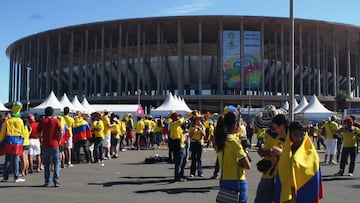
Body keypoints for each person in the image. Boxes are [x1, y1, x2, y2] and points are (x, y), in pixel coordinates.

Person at [275, 121, 323, 203]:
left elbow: (314, 174)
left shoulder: (311, 153)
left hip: (306, 191)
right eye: (295, 135)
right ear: (290, 136)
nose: (299, 138)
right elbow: (281, 171)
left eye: (302, 134)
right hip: (290, 193)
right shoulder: (286, 152)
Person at [215, 109, 251, 203]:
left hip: (224, 179)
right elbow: (247, 165)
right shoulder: (234, 142)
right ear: (234, 124)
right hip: (237, 180)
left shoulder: (219, 141)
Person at [254, 106, 287, 203]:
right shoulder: (267, 133)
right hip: (268, 171)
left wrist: (269, 152)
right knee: (262, 198)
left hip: (280, 171)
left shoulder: (285, 134)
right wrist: (264, 152)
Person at [0, 102, 27, 183]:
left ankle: (5, 177)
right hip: (17, 141)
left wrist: (1, 141)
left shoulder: (8, 121)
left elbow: (2, 133)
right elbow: (23, 132)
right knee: (15, 159)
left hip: (9, 140)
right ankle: (16, 177)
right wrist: (23, 141)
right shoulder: (20, 121)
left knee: (7, 159)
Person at [37, 106, 62, 187]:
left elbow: (38, 133)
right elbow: (60, 132)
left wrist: (40, 141)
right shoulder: (56, 121)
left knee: (46, 163)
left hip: (45, 144)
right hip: (54, 143)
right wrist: (59, 140)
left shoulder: (42, 121)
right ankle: (56, 180)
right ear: (52, 113)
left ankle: (47, 181)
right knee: (56, 162)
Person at [169, 112, 187, 182]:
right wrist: (183, 117)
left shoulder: (177, 125)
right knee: (179, 162)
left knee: (183, 161)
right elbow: (181, 121)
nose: (178, 118)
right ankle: (177, 176)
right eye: (177, 117)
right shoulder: (174, 124)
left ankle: (180, 174)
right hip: (178, 144)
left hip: (181, 144)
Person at [189, 110, 206, 177]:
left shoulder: (202, 126)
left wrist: (200, 129)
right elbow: (190, 135)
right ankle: (192, 172)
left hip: (200, 143)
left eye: (199, 119)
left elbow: (204, 135)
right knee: (193, 158)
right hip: (193, 142)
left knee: (199, 158)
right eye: (197, 119)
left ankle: (200, 172)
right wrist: (194, 129)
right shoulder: (192, 126)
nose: (199, 120)